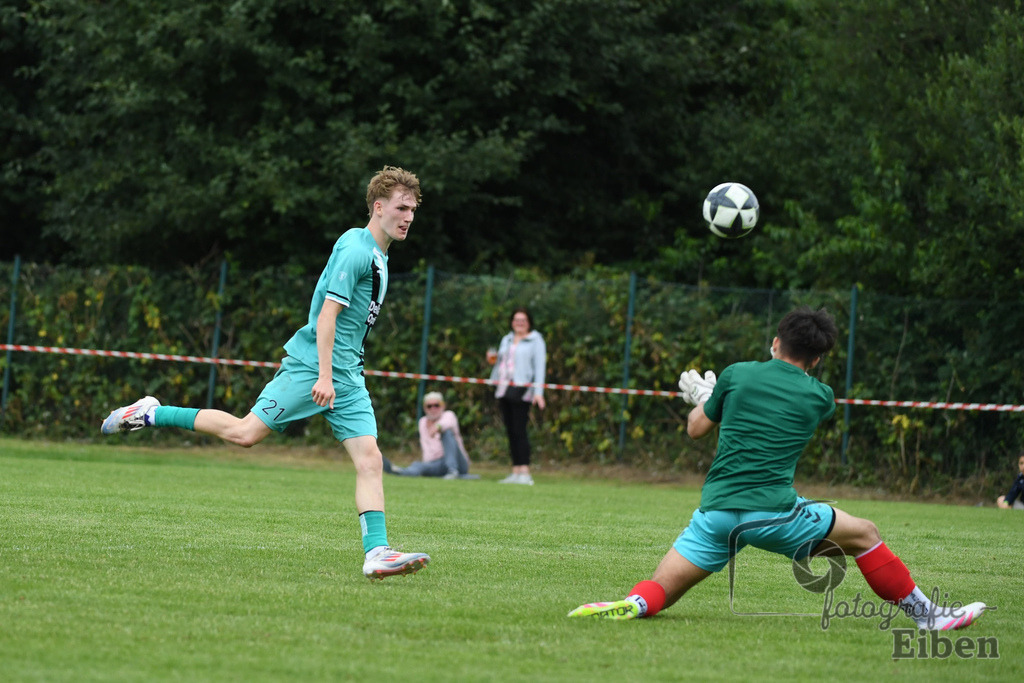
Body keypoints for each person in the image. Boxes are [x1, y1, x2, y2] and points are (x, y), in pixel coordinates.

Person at [101, 166, 430, 581]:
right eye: (401, 208)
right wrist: (323, 376)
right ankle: (150, 413)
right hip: (315, 368)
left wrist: (339, 374)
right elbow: (327, 316)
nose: (408, 217)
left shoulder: (378, 253)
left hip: (347, 375)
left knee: (370, 459)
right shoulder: (357, 250)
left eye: (412, 210)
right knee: (245, 433)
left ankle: (377, 553)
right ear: (378, 207)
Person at [568, 306, 985, 631]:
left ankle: (636, 602)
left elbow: (696, 429)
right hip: (773, 514)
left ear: (774, 342)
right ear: (817, 359)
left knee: (661, 589)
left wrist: (706, 397)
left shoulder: (736, 375)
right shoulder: (820, 396)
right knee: (865, 535)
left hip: (716, 513)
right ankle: (929, 616)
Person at [489, 307, 546, 485]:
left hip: (522, 388)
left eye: (523, 320)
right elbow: (499, 362)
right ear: (512, 322)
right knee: (510, 430)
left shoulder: (536, 340)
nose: (519, 323)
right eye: (516, 320)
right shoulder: (506, 339)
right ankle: (515, 471)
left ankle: (525, 472)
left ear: (528, 322)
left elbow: (539, 367)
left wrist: (538, 393)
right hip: (503, 388)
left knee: (520, 430)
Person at [383, 391, 477, 479]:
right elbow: (426, 448)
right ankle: (398, 471)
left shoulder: (449, 415)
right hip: (438, 463)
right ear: (425, 408)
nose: (433, 409)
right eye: (429, 406)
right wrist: (428, 465)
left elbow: (447, 423)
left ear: (443, 406)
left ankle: (453, 471)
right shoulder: (422, 422)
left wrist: (438, 427)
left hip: (458, 462)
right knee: (419, 465)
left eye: (436, 405)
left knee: (447, 433)